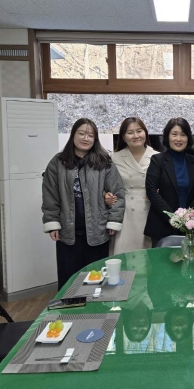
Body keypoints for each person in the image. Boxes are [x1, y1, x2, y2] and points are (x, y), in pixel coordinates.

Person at [42, 118, 125, 289]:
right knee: (69, 281)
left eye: (91, 135)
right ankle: (69, 306)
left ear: (95, 139)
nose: (86, 138)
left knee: (97, 280)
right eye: (81, 133)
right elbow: (50, 195)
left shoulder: (104, 162)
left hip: (98, 231)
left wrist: (114, 220)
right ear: (73, 134)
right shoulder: (58, 162)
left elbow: (117, 193)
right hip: (67, 233)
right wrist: (52, 223)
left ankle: (96, 306)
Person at [144, 118, 194, 247]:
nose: (179, 139)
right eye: (174, 134)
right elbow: (151, 190)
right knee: (162, 260)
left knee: (189, 258)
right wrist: (172, 217)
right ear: (167, 137)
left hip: (189, 226)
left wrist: (188, 217)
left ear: (188, 138)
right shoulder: (157, 160)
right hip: (162, 224)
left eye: (183, 135)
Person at [108, 117, 158, 255]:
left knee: (147, 256)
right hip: (125, 213)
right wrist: (105, 195)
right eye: (130, 132)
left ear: (145, 133)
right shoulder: (114, 157)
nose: (136, 136)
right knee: (124, 254)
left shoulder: (157, 157)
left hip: (149, 212)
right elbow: (106, 184)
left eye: (139, 131)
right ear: (123, 137)